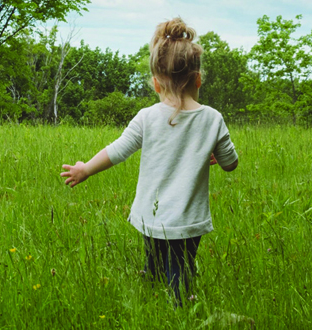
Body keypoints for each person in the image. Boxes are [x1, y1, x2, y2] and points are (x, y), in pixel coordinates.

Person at [60, 17, 239, 306]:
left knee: (154, 262)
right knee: (180, 270)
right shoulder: (212, 119)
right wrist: (217, 156)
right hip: (188, 221)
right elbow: (231, 162)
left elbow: (118, 150)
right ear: (198, 79)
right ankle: (178, 306)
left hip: (150, 217)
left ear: (156, 83)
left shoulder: (147, 117)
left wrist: (85, 169)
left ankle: (157, 294)